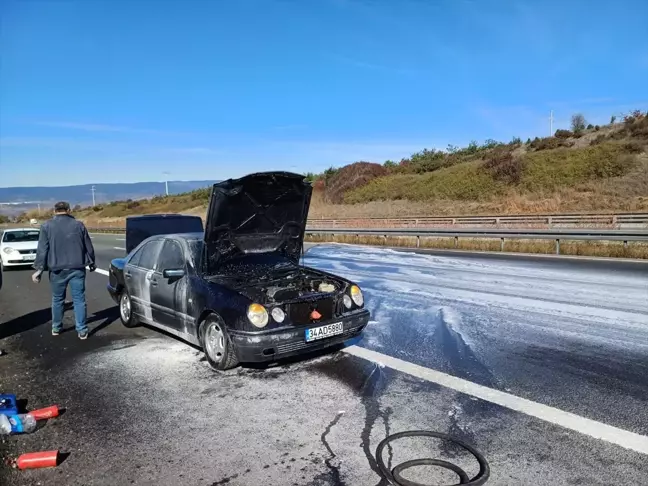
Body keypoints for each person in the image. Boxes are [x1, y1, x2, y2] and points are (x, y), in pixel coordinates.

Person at [32, 201, 96, 339]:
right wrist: (91, 262)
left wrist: (39, 270)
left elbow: (42, 249)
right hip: (77, 268)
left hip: (56, 269)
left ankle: (56, 327)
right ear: (69, 210)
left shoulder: (46, 226)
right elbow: (88, 246)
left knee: (57, 299)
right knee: (79, 299)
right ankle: (82, 330)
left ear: (55, 211)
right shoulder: (79, 225)